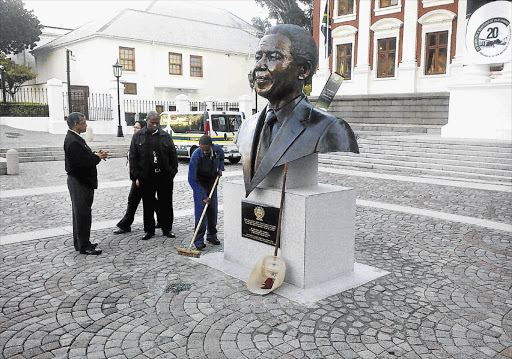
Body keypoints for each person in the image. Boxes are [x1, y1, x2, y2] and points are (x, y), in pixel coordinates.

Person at [235, 24, 359, 197]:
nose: (260, 65)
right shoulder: (246, 127)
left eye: (274, 57)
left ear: (304, 70)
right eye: (258, 57)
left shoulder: (330, 128)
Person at [129, 111, 178, 240]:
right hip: (146, 176)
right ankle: (149, 230)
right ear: (147, 121)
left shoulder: (165, 136)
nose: (155, 126)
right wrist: (136, 176)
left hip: (164, 176)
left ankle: (167, 228)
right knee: (148, 204)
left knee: (166, 203)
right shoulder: (138, 137)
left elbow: (173, 156)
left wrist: (172, 172)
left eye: (157, 123)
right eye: (152, 123)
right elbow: (133, 158)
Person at [64, 112, 109, 255]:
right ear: (76, 125)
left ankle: (81, 242)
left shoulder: (75, 138)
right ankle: (84, 245)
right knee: (82, 214)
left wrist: (95, 154)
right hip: (79, 182)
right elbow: (81, 163)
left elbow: (84, 156)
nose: (86, 125)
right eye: (84, 123)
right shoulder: (72, 141)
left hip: (81, 181)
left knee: (80, 213)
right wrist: (97, 157)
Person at [188, 135, 224, 250]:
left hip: (212, 183)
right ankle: (198, 240)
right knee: (201, 213)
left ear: (211, 147)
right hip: (200, 184)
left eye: (206, 150)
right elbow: (191, 179)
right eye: (202, 149)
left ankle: (212, 235)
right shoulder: (196, 156)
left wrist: (220, 168)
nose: (204, 152)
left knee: (213, 211)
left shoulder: (217, 150)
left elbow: (222, 158)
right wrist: (203, 196)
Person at [113, 120, 149, 234]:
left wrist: (137, 177)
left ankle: (125, 224)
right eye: (134, 127)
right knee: (141, 200)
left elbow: (142, 161)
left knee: (134, 200)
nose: (135, 129)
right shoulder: (135, 139)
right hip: (135, 176)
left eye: (137, 127)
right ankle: (162, 219)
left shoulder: (144, 141)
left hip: (141, 177)